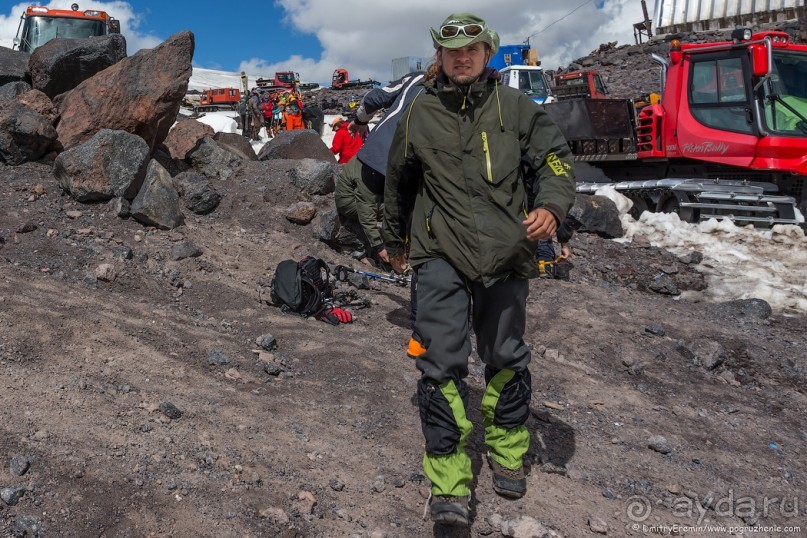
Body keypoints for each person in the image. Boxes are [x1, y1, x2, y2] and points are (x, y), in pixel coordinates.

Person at [382, 13, 576, 526]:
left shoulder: (514, 107)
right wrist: (392, 239)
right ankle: (448, 483)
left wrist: (552, 207)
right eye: (451, 50)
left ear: (487, 52)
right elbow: (398, 180)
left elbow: (555, 159)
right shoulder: (420, 113)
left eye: (471, 48)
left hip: (506, 251)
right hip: (439, 251)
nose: (461, 57)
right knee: (439, 364)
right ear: (439, 57)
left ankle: (508, 452)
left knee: (505, 355)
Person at [336, 71, 426, 356]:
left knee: (397, 212)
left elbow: (376, 97)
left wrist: (360, 120)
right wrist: (378, 245)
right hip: (404, 167)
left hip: (380, 158)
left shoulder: (417, 78)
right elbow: (363, 203)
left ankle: (422, 327)